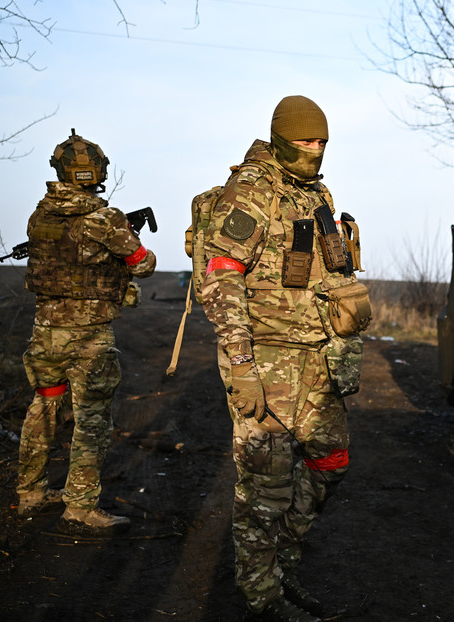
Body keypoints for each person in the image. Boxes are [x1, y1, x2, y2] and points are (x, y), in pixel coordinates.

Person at [200, 95, 365, 622]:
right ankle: (263, 596)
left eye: (322, 143)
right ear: (279, 139)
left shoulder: (317, 192)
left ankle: (283, 562)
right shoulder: (250, 191)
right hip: (264, 357)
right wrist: (242, 366)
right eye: (304, 143)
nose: (314, 150)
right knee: (264, 486)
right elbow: (220, 275)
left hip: (317, 355)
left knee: (330, 462)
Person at [16, 130, 156, 536]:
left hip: (45, 332)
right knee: (91, 420)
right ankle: (79, 506)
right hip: (88, 338)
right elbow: (143, 264)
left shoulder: (39, 216)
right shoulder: (104, 219)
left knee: (44, 407)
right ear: (97, 172)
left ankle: (29, 492)